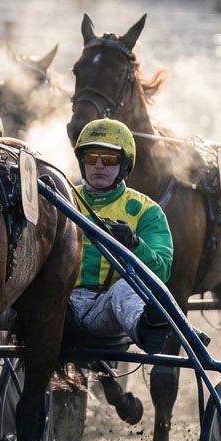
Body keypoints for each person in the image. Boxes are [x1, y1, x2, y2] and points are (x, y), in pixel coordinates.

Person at [70, 118, 175, 355]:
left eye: (108, 159)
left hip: (103, 308)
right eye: (90, 158)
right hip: (55, 302)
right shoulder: (61, 199)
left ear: (125, 165)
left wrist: (134, 244)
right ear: (81, 162)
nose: (98, 165)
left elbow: (162, 270)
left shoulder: (147, 211)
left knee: (123, 288)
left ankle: (148, 329)